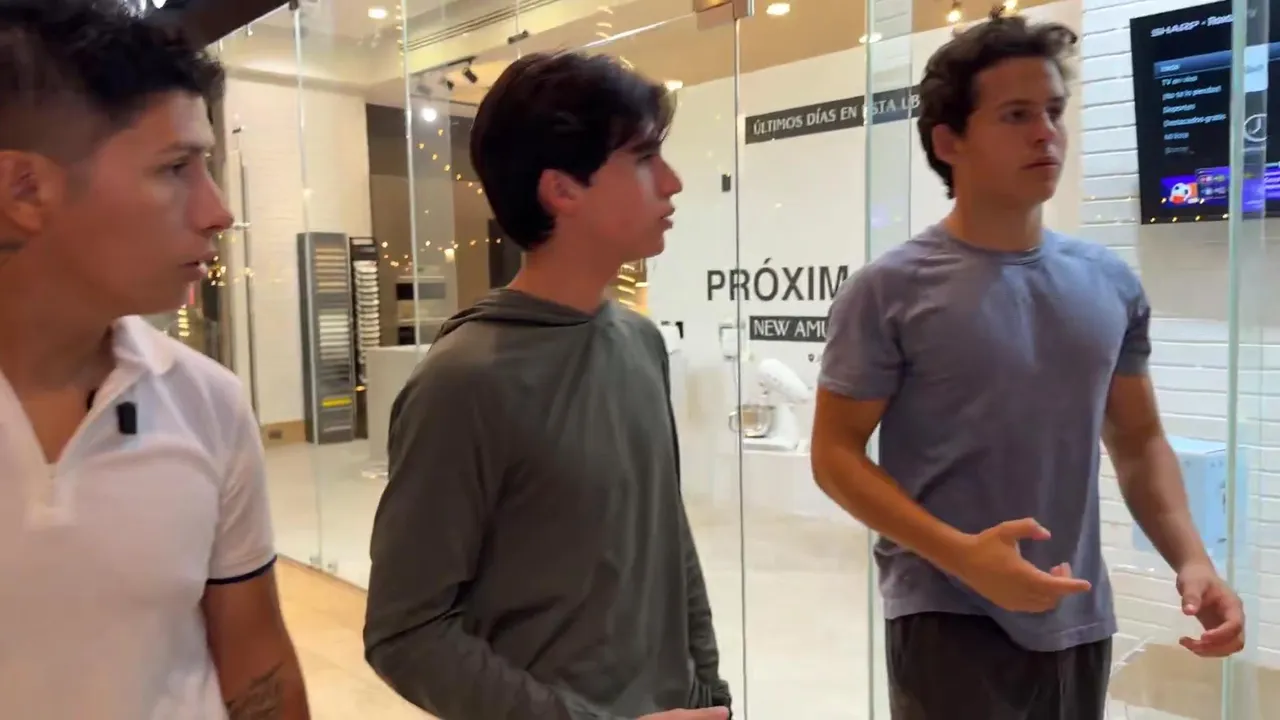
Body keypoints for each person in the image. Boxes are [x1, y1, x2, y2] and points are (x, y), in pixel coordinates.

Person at [810, 10, 1245, 720]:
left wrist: (1192, 559)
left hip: (1078, 613)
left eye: (1054, 111)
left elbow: (1138, 441)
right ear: (949, 141)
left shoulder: (1109, 282)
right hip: (947, 616)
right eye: (1016, 115)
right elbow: (835, 455)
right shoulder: (888, 290)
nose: (1046, 133)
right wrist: (961, 554)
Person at [363, 51, 731, 720]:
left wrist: (711, 693)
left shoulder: (641, 343)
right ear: (562, 190)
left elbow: (667, 540)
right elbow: (406, 631)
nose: (673, 182)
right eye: (645, 158)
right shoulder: (463, 382)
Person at [0, 2, 308, 719]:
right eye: (176, 168)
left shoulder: (208, 401)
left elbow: (254, 656)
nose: (218, 211)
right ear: (25, 191)